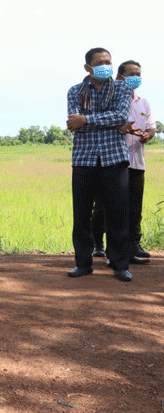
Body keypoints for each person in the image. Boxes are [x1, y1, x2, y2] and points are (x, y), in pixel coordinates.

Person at [65, 47, 133, 282]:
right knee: (81, 215)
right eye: (100, 62)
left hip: (114, 159)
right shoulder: (75, 91)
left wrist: (86, 119)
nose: (106, 66)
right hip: (84, 160)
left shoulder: (122, 88)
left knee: (117, 215)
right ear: (88, 67)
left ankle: (120, 264)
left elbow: (121, 116)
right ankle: (83, 264)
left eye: (108, 61)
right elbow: (73, 123)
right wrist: (99, 121)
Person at [88, 60, 152, 265]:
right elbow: (100, 121)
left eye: (138, 74)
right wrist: (120, 126)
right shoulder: (109, 97)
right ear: (119, 76)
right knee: (106, 206)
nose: (136, 78)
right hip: (112, 160)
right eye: (131, 74)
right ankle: (102, 245)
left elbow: (151, 126)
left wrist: (147, 135)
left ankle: (131, 247)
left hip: (136, 162)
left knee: (133, 207)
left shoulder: (143, 102)